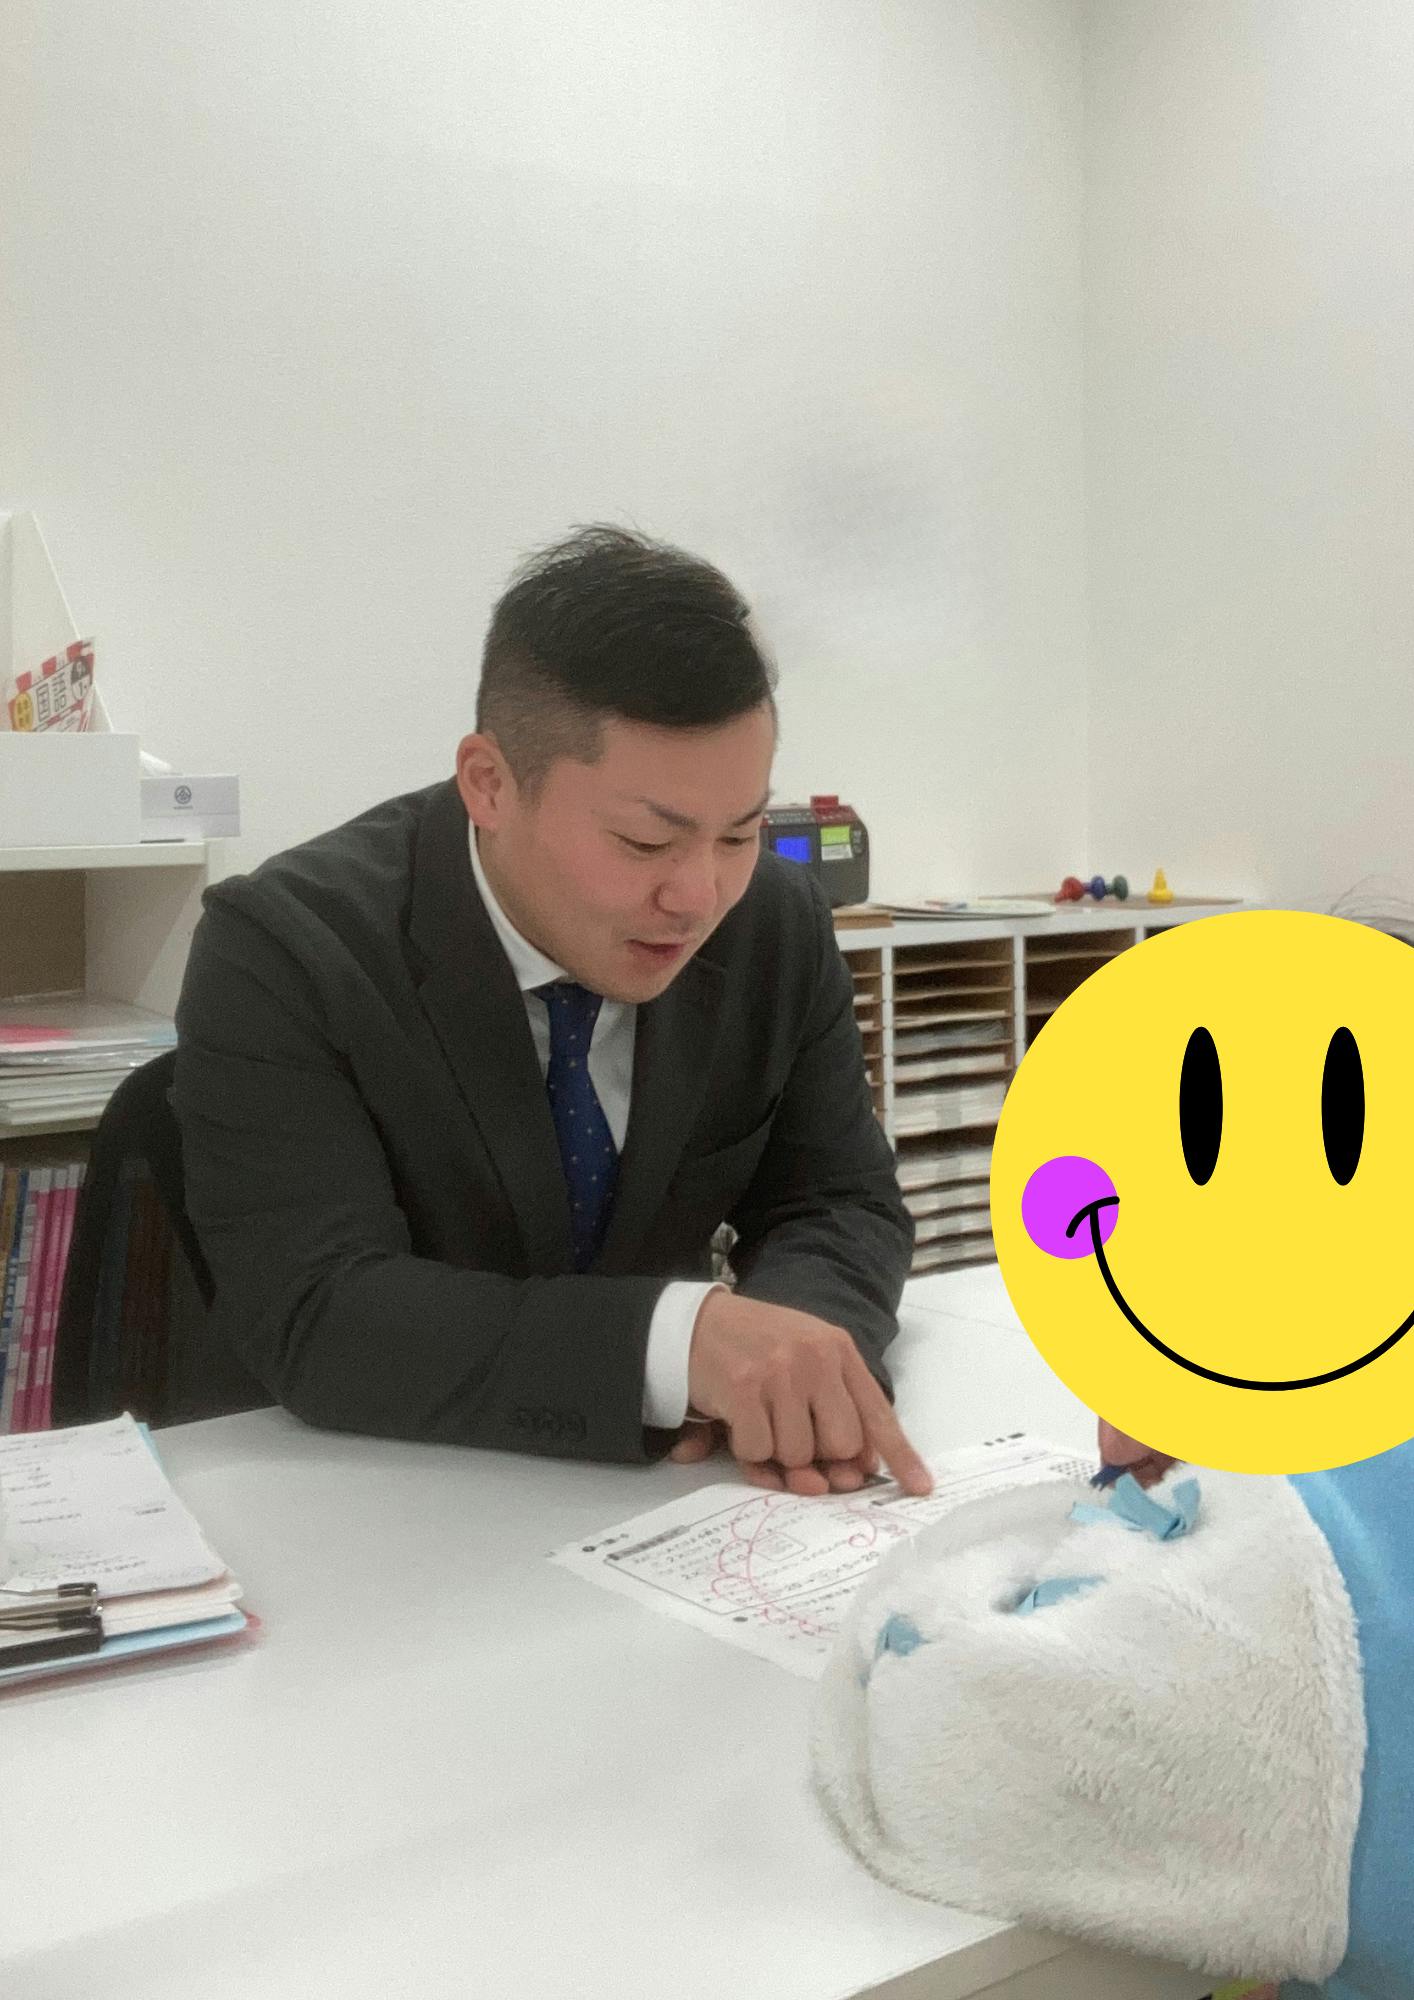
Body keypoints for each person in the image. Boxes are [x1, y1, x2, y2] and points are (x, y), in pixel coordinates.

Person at [173, 525, 932, 1498]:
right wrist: (674, 1347)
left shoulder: (772, 923)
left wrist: (784, 1363)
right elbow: (321, 1309)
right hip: (374, 1497)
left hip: (666, 1504)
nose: (698, 895)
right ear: (489, 783)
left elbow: (839, 1201)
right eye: (644, 841)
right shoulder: (289, 946)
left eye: (740, 833)